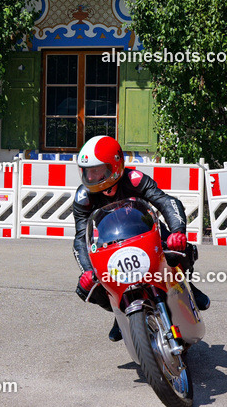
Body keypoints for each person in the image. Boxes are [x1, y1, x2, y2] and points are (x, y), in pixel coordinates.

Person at [72, 135, 210, 342]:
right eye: (86, 172)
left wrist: (177, 231)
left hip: (147, 232)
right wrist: (87, 271)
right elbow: (81, 237)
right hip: (110, 245)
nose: (90, 177)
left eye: (96, 170)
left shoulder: (133, 179)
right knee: (88, 286)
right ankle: (121, 312)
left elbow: (166, 202)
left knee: (180, 248)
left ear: (115, 166)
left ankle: (188, 285)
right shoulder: (83, 197)